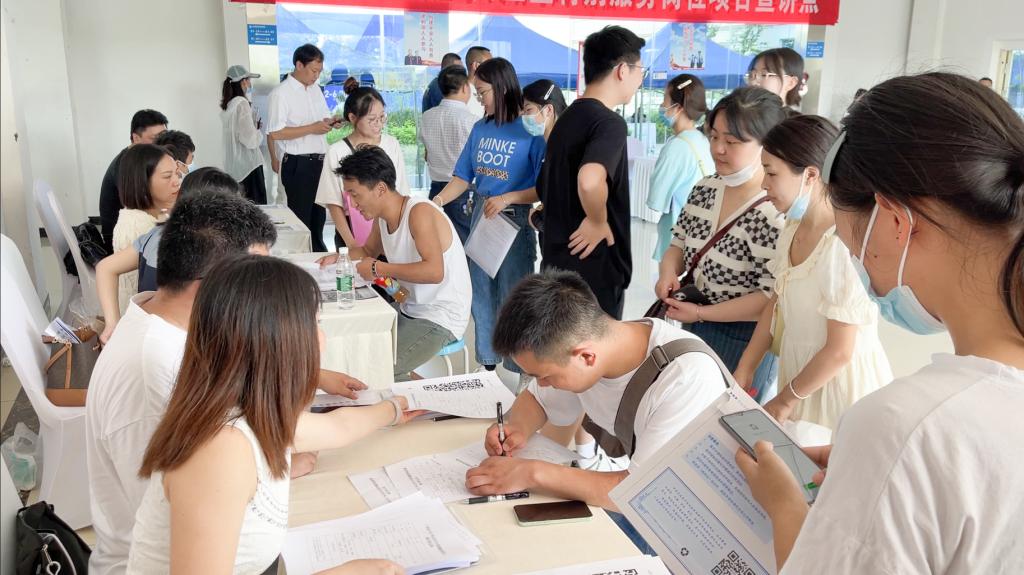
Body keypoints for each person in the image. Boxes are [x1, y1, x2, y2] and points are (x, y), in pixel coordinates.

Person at [737, 72, 1024, 574]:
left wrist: (784, 506)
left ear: (894, 223)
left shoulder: (909, 427)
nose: (858, 266)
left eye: (853, 246)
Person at [128, 255, 416, 574]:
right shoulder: (219, 449)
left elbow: (338, 427)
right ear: (278, 339)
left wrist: (394, 408)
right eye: (315, 323)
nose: (322, 339)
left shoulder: (248, 409)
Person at [464, 270, 726, 552]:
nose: (542, 384)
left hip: (698, 527)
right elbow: (537, 400)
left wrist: (531, 473)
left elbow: (640, 491)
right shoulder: (597, 345)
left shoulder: (685, 378)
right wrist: (517, 427)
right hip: (650, 497)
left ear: (586, 356)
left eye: (545, 376)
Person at [86, 190, 276, 575]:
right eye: (255, 280)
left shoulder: (170, 322)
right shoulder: (150, 373)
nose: (263, 294)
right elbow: (171, 515)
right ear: (209, 285)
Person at [732, 115, 892, 429]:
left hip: (838, 389)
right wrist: (747, 365)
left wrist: (785, 400)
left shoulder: (841, 245)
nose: (763, 184)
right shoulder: (791, 228)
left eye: (771, 173)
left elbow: (839, 352)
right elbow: (776, 303)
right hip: (800, 380)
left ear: (810, 175)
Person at [655, 86, 787, 402]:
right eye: (714, 137)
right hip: (694, 319)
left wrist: (702, 313)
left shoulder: (774, 209)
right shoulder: (706, 187)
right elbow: (678, 242)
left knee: (728, 416)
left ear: (766, 145)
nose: (718, 149)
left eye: (732, 142)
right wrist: (667, 273)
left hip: (745, 338)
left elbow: (769, 298)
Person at [430, 58, 545, 379]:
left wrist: (508, 197)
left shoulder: (529, 129)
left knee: (513, 292)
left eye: (483, 92)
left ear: (502, 87)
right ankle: (487, 360)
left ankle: (520, 366)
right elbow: (462, 177)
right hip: (482, 215)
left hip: (514, 218)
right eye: (477, 92)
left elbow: (543, 187)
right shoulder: (480, 128)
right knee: (480, 289)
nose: (479, 99)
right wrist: (436, 202)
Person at [317, 146, 471, 381]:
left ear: (380, 189)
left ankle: (423, 398)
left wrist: (378, 268)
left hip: (441, 316)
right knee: (356, 348)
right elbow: (366, 251)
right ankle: (413, 389)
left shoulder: (419, 212)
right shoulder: (382, 219)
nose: (353, 205)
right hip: (411, 308)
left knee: (376, 370)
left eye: (355, 195)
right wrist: (340, 257)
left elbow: (434, 271)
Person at [537, 26, 646, 320]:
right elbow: (589, 180)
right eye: (640, 70)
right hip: (592, 273)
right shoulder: (609, 122)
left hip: (557, 269)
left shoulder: (565, 120)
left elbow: (545, 185)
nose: (640, 79)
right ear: (622, 70)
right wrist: (597, 220)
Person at [96, 168, 242, 344]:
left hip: (146, 334)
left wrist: (112, 324)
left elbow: (105, 267)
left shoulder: (156, 234)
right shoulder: (209, 249)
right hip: (178, 343)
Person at [317, 86, 409, 248]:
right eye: (372, 119)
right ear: (353, 118)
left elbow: (401, 190)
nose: (378, 124)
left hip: (388, 225)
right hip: (351, 229)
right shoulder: (337, 151)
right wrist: (351, 244)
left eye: (382, 117)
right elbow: (333, 202)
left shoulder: (391, 144)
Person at [267, 43, 334, 252]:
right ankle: (300, 262)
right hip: (298, 164)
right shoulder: (281, 93)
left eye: (319, 72)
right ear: (299, 65)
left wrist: (330, 123)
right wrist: (312, 128)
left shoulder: (315, 90)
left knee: (318, 218)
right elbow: (275, 132)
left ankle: (318, 258)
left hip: (319, 162)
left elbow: (321, 119)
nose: (316, 76)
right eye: (313, 71)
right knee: (301, 221)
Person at [646, 74, 713, 260]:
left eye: (664, 100)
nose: (661, 106)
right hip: (701, 233)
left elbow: (656, 200)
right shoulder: (703, 140)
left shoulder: (676, 146)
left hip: (678, 237)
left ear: (678, 107)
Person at [113, 144, 181, 313]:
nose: (177, 182)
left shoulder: (151, 214)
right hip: (142, 315)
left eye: (177, 173)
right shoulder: (139, 226)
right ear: (143, 182)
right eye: (167, 176)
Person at [419, 65, 477, 244]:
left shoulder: (426, 117)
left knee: (441, 246)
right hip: (464, 192)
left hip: (436, 190)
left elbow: (426, 155)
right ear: (465, 87)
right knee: (466, 245)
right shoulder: (472, 121)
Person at [99, 109, 168, 252]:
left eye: (164, 136)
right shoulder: (126, 165)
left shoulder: (143, 159)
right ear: (136, 138)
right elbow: (143, 205)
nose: (162, 143)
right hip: (122, 240)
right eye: (156, 138)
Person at [221, 64, 268, 203]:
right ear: (243, 82)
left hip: (236, 166)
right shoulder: (242, 103)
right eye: (248, 80)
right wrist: (257, 130)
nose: (250, 83)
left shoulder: (230, 104)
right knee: (257, 205)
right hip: (249, 166)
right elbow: (250, 140)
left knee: (243, 205)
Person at [464, 45, 492, 117]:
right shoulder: (462, 93)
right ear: (476, 65)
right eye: (489, 64)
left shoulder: (489, 90)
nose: (492, 68)